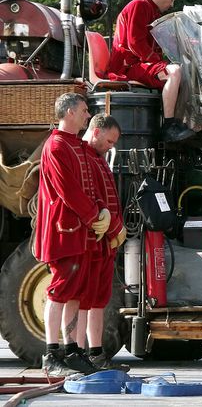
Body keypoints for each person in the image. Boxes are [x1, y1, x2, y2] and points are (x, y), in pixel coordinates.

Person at [36, 93, 110, 377]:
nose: (87, 115)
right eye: (82, 110)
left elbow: (90, 189)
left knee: (75, 292)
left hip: (79, 232)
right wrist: (95, 216)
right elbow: (69, 191)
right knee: (59, 290)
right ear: (67, 112)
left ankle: (70, 351)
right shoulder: (56, 146)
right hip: (63, 231)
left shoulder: (75, 145)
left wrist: (100, 210)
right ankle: (51, 353)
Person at [108, 0, 194, 143]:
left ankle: (177, 123)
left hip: (136, 64)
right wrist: (159, 62)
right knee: (174, 72)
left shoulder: (148, 9)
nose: (172, 4)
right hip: (128, 67)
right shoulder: (140, 5)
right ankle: (169, 127)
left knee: (179, 71)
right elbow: (135, 43)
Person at [77, 114, 129, 371]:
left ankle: (95, 353)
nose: (111, 146)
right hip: (94, 240)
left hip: (106, 241)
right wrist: (113, 228)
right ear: (96, 132)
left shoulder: (97, 158)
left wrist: (117, 229)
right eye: (109, 140)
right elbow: (93, 199)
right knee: (84, 300)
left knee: (98, 300)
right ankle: (80, 354)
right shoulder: (83, 157)